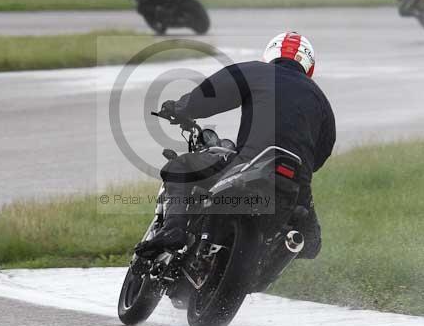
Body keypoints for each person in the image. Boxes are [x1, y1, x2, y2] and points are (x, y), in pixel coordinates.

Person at [135, 32, 336, 260]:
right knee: (310, 243)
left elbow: (209, 95)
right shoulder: (320, 99)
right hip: (296, 181)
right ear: (308, 65)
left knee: (179, 167)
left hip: (250, 162)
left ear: (270, 54)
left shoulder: (257, 72)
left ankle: (174, 230)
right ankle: (265, 263)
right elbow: (323, 150)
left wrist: (180, 108)